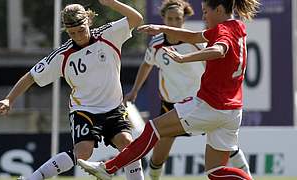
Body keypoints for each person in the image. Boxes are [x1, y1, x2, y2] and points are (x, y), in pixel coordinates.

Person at [77, 0, 260, 179]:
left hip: (210, 105)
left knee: (153, 128)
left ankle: (108, 169)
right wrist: (162, 29)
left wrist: (183, 58)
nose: (204, 16)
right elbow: (195, 36)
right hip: (232, 110)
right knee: (215, 171)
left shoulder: (222, 31)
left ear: (219, 9)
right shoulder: (237, 26)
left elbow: (219, 50)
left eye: (205, 11)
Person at [0, 1, 144, 180]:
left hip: (114, 107)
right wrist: (9, 99)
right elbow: (31, 76)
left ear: (88, 21)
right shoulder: (62, 55)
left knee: (127, 144)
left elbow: (137, 19)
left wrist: (112, 3)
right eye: (72, 33)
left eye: (81, 30)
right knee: (83, 153)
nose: (78, 36)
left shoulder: (109, 35)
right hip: (84, 110)